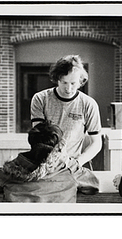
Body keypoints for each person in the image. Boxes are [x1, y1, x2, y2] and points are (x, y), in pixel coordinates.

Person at [30, 55, 102, 194]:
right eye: (64, 82)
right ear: (57, 79)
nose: (68, 88)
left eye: (73, 83)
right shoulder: (40, 99)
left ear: (81, 81)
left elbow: (96, 143)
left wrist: (77, 162)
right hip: (45, 163)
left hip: (73, 165)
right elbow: (38, 138)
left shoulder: (88, 104)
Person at [0, 120, 78, 202]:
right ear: (59, 146)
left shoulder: (8, 173)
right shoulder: (70, 170)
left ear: (30, 141)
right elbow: (92, 184)